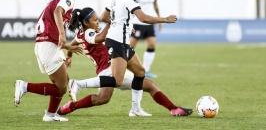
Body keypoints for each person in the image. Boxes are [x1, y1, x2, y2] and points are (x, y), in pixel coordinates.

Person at [68, 0, 178, 116]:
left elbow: (104, 16)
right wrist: (165, 19)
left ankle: (136, 109)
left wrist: (123, 22)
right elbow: (143, 18)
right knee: (117, 81)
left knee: (140, 71)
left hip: (121, 40)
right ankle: (79, 84)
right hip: (118, 41)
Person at [57, 7, 193, 117]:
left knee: (103, 98)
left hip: (113, 65)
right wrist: (113, 22)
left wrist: (69, 55)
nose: (98, 22)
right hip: (108, 69)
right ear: (86, 23)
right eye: (95, 20)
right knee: (149, 84)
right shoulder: (88, 33)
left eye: (98, 19)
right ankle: (172, 109)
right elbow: (100, 37)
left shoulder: (83, 33)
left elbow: (74, 42)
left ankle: (71, 106)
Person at [14, 0, 82, 122]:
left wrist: (67, 47)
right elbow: (58, 13)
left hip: (44, 45)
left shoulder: (54, 0)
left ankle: (50, 115)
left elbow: (51, 28)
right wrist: (63, 35)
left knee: (62, 82)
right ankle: (25, 86)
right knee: (62, 87)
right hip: (48, 46)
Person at [130, 0, 161, 78]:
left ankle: (146, 70)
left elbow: (155, 5)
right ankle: (126, 68)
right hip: (138, 22)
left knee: (152, 44)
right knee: (131, 46)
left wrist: (159, 19)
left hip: (150, 22)